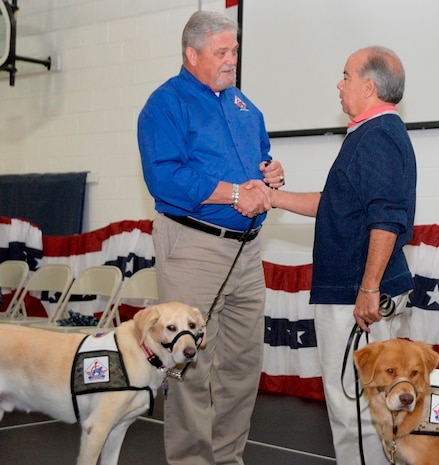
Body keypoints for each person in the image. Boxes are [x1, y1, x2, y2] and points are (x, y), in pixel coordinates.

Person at [136, 11, 284, 465]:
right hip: (193, 246)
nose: (231, 60)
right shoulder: (165, 104)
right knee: (187, 365)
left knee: (241, 367)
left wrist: (270, 173)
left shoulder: (244, 106)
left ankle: (228, 458)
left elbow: (261, 158)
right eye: (221, 52)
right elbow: (166, 180)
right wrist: (236, 192)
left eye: (234, 51)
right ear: (191, 54)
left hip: (246, 249)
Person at [261, 46, 417, 465]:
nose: (339, 83)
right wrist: (272, 198)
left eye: (345, 76)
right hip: (354, 291)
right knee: (361, 407)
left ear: (368, 86)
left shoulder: (379, 136)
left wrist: (368, 288)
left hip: (357, 296)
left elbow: (386, 219)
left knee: (359, 410)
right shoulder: (368, 135)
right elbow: (332, 203)